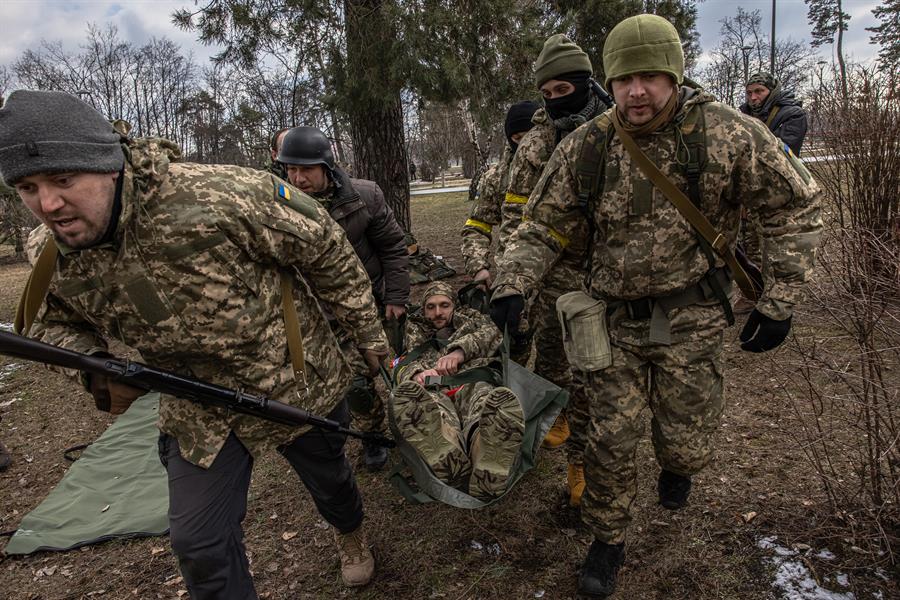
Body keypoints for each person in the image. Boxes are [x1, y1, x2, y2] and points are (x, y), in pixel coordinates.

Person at [0, 90, 391, 596]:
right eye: (27, 187)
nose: (48, 204)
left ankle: (350, 535)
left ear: (109, 166)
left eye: (63, 180)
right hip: (197, 406)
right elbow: (47, 323)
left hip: (296, 381)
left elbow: (327, 250)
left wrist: (366, 332)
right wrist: (92, 366)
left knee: (333, 483)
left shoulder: (220, 194)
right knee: (199, 545)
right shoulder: (48, 251)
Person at [490, 15, 822, 598]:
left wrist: (781, 299)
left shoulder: (727, 134)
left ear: (673, 74)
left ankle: (677, 467)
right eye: (624, 79)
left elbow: (793, 207)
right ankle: (607, 539)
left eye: (649, 77)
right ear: (609, 82)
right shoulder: (586, 146)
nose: (635, 91)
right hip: (611, 319)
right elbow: (541, 226)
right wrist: (512, 284)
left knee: (685, 439)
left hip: (693, 317)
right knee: (610, 439)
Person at [501, 34, 612, 507]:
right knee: (549, 357)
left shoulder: (617, 128)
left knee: (593, 374)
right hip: (549, 271)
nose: (553, 102)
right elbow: (515, 212)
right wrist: (513, 276)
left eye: (562, 91)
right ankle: (555, 414)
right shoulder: (537, 141)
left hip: (608, 274)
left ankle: (580, 462)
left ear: (586, 83)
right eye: (545, 94)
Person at [277, 126, 409, 471]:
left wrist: (395, 296)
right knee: (356, 383)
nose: (298, 177)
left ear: (327, 167)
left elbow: (393, 247)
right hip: (322, 313)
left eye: (306, 169)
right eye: (290, 169)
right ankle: (373, 435)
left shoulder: (364, 196)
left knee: (398, 368)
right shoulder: (279, 205)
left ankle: (417, 425)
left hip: (374, 301)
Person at [391, 281, 524, 500]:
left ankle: (484, 451)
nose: (437, 313)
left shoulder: (473, 319)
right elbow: (401, 361)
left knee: (484, 404)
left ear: (454, 305)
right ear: (423, 309)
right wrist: (415, 374)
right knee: (431, 410)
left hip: (472, 378)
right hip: (434, 387)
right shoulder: (414, 329)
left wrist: (459, 352)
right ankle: (448, 448)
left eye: (444, 305)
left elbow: (493, 334)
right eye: (430, 307)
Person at [739, 72, 810, 284]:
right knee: (749, 240)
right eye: (749, 93)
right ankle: (754, 290)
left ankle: (778, 291)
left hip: (779, 189)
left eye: (759, 91)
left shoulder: (792, 114)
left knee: (778, 243)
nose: (753, 97)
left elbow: (783, 154)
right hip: (749, 188)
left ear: (772, 92)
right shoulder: (743, 115)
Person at [460, 100, 540, 288]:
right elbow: (477, 226)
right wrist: (478, 266)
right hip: (512, 281)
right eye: (517, 138)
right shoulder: (497, 178)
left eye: (530, 136)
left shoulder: (562, 167)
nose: (524, 145)